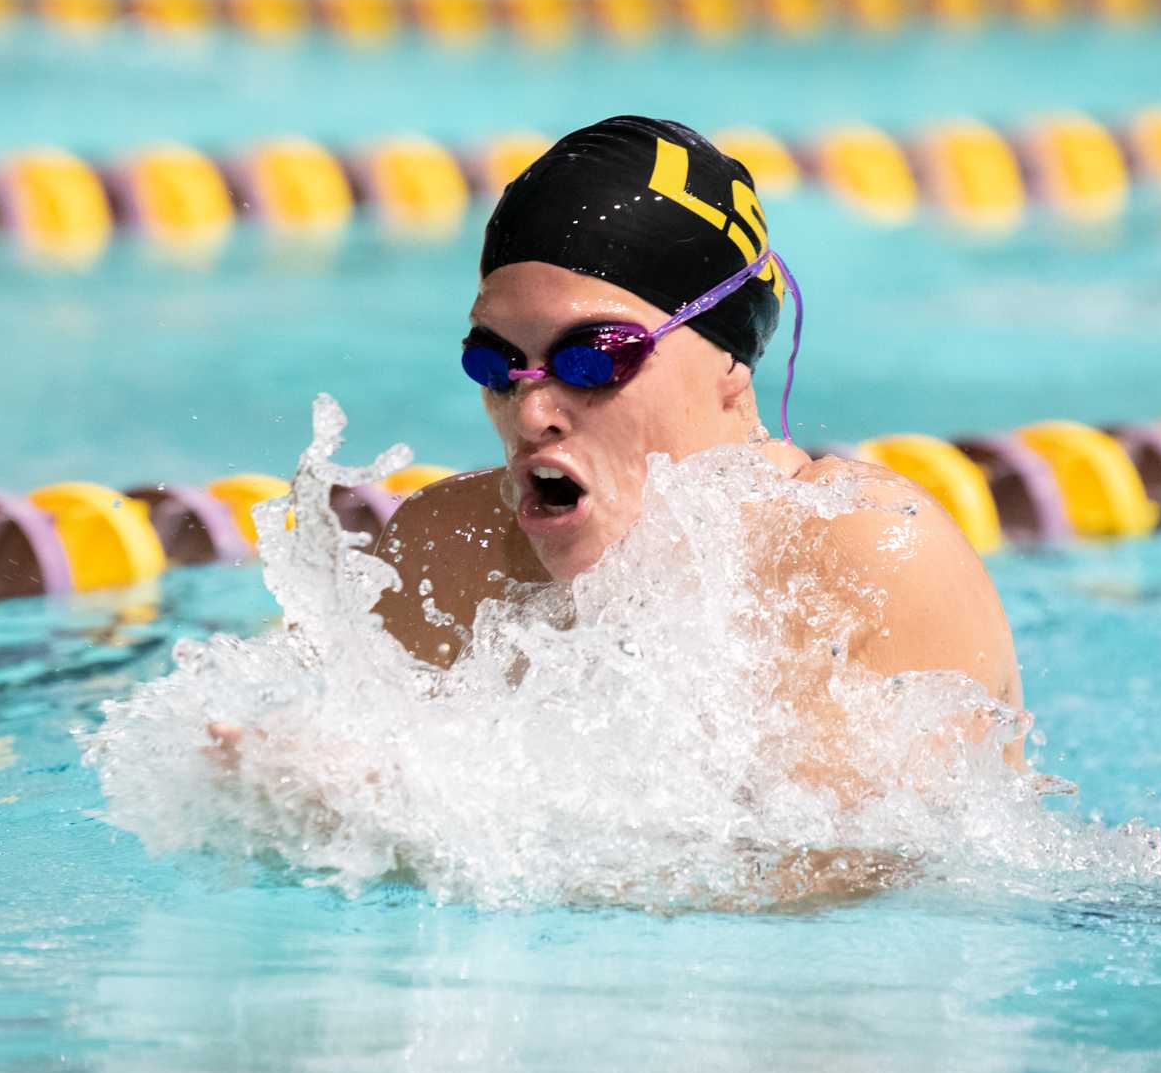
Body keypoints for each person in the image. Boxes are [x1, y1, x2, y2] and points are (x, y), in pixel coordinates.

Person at [362, 115, 1022, 791]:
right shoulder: (441, 554)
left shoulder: (866, 559)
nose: (531, 413)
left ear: (729, 362)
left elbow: (842, 885)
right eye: (496, 364)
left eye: (593, 359)